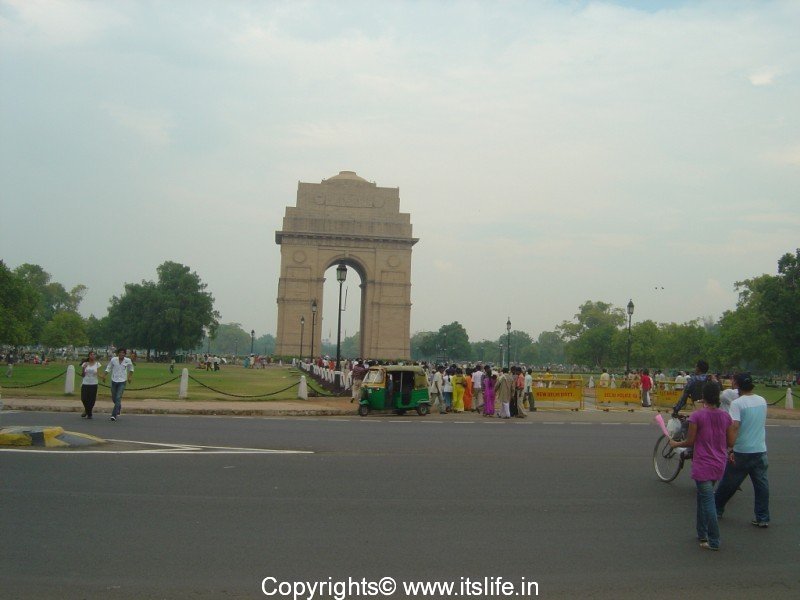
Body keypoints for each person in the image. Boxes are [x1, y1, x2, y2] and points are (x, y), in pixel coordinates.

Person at [669, 381, 735, 550]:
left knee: (708, 501)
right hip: (718, 463)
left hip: (703, 464)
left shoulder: (697, 416)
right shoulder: (725, 417)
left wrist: (676, 444)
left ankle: (713, 540)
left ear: (704, 397)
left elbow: (690, 441)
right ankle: (701, 532)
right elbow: (730, 442)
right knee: (702, 497)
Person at [715, 373, 770, 528]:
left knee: (728, 483)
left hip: (743, 450)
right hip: (760, 448)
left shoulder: (737, 403)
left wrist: (730, 447)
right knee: (761, 485)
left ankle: (716, 509)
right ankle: (762, 517)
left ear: (737, 385)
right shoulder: (762, 400)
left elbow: (735, 426)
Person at [104, 348, 134, 421]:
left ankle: (114, 415)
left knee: (118, 397)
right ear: (118, 353)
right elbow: (109, 368)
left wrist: (129, 377)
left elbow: (131, 369)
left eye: (123, 353)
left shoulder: (127, 360)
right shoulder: (113, 359)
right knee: (114, 397)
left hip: (122, 381)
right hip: (114, 380)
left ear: (125, 354)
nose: (121, 354)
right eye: (120, 352)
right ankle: (118, 406)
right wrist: (104, 375)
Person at [79, 350, 102, 419]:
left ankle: (89, 413)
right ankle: (87, 410)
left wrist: (102, 377)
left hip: (94, 383)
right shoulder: (85, 364)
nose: (92, 356)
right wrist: (84, 368)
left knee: (92, 399)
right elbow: (82, 375)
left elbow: (99, 373)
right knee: (84, 398)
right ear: (89, 356)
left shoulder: (97, 364)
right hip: (85, 383)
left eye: (94, 355)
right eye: (91, 354)